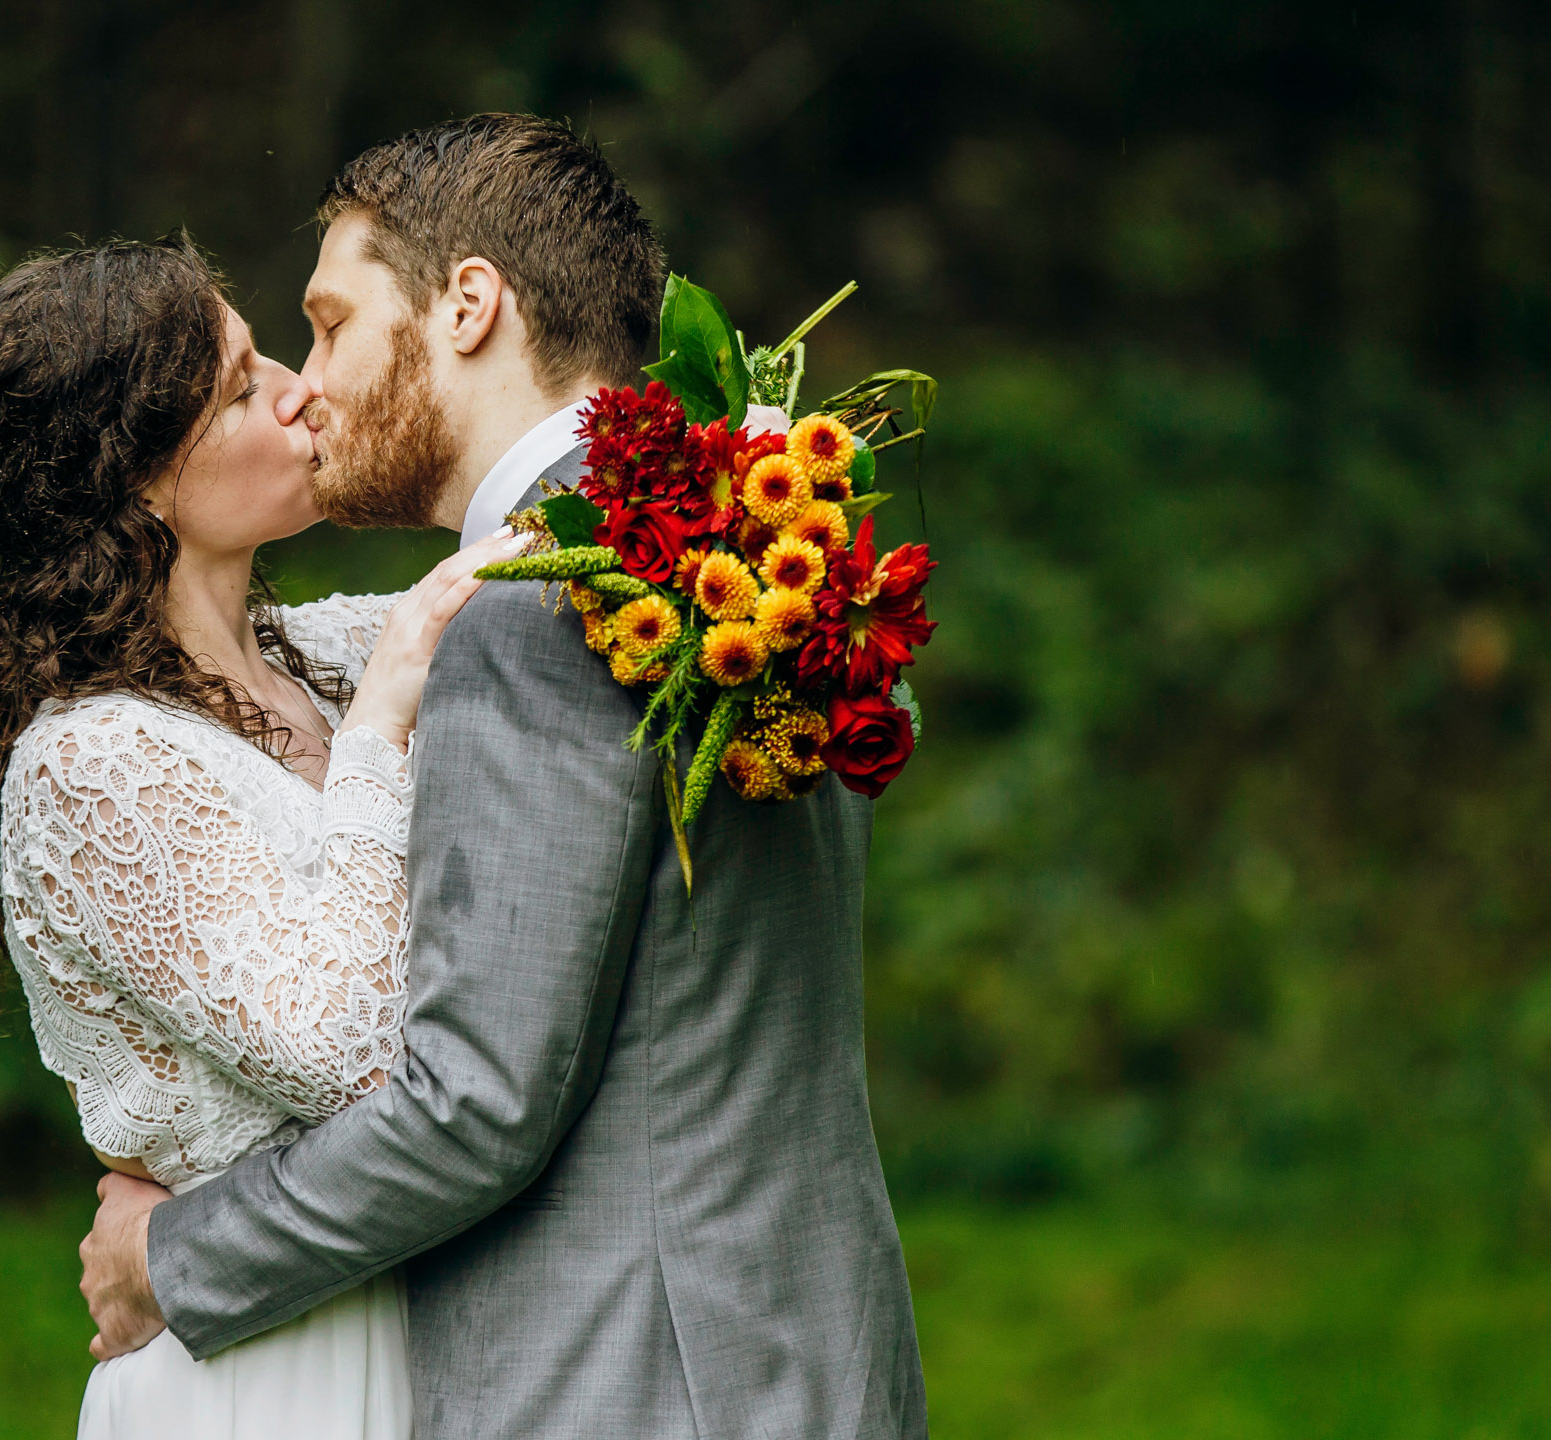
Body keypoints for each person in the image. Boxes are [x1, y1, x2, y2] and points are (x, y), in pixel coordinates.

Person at [78, 115, 929, 1439]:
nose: (310, 382)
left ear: (469, 304)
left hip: (627, 1384)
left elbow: (475, 1104)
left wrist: (170, 1257)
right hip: (806, 1362)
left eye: (332, 321)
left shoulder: (541, 609)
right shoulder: (760, 551)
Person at [0, 234, 524, 1439]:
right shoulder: (90, 766)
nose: (302, 388)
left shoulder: (325, 658)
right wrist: (382, 736)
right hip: (270, 1373)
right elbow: (356, 1055)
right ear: (138, 479)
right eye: (245, 386)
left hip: (424, 1327)